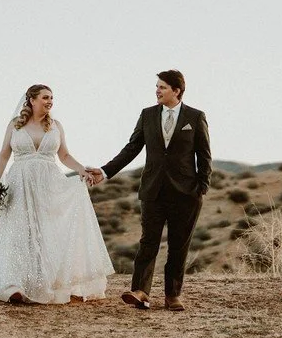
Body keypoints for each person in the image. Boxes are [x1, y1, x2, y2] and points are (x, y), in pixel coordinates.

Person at [0, 85, 115, 304]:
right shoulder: (15, 125)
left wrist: (81, 170)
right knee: (18, 233)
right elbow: (3, 156)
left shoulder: (56, 126)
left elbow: (65, 155)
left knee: (46, 232)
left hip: (49, 183)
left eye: (52, 98)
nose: (50, 102)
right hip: (19, 183)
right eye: (45, 98)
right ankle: (14, 285)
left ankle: (45, 283)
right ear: (31, 100)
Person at [85, 70, 211, 312]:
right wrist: (106, 171)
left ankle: (172, 295)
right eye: (157, 86)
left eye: (162, 87)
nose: (157, 90)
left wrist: (201, 188)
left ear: (177, 91)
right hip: (153, 191)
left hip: (186, 194)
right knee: (148, 242)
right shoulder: (148, 115)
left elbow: (204, 155)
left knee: (178, 245)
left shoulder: (195, 117)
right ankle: (140, 292)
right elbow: (131, 148)